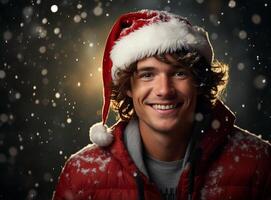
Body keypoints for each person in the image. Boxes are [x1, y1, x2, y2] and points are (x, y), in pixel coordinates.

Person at [52, 10, 271, 200]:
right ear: (128, 86)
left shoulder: (258, 163)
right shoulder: (83, 174)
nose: (164, 90)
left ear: (199, 81)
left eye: (179, 73)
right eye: (147, 75)